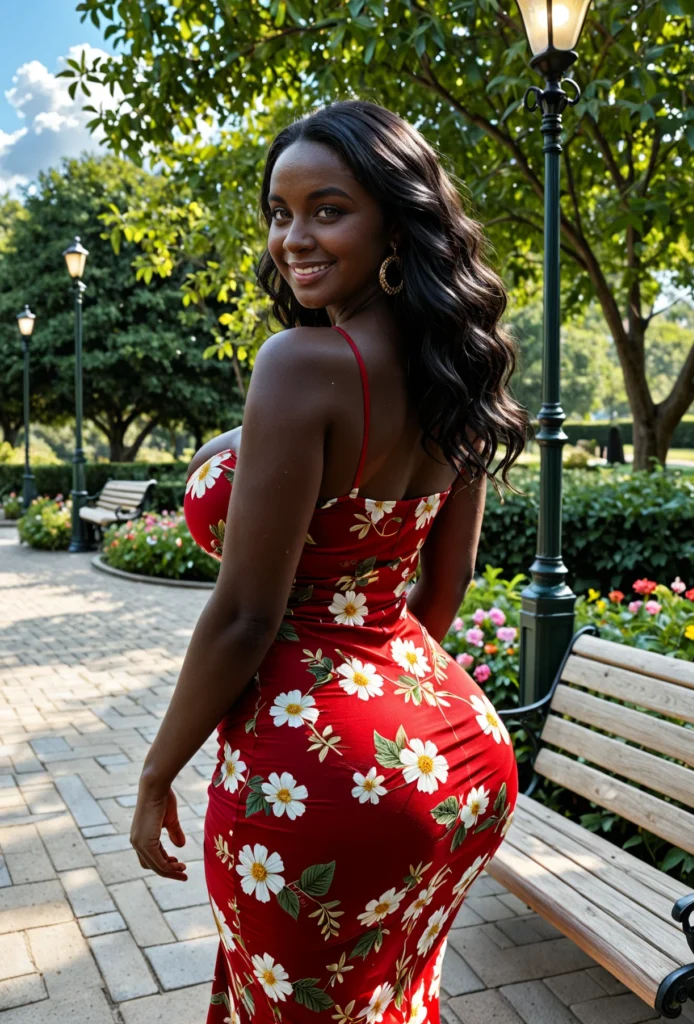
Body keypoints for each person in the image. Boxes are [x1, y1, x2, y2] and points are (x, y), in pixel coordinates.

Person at [130, 99, 528, 1024]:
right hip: (454, 758)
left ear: (396, 222)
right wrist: (385, 711)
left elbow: (246, 617)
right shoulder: (457, 368)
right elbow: (446, 584)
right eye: (279, 212)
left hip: (319, 788)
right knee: (393, 999)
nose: (292, 238)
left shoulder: (300, 365)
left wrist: (155, 776)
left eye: (327, 209)